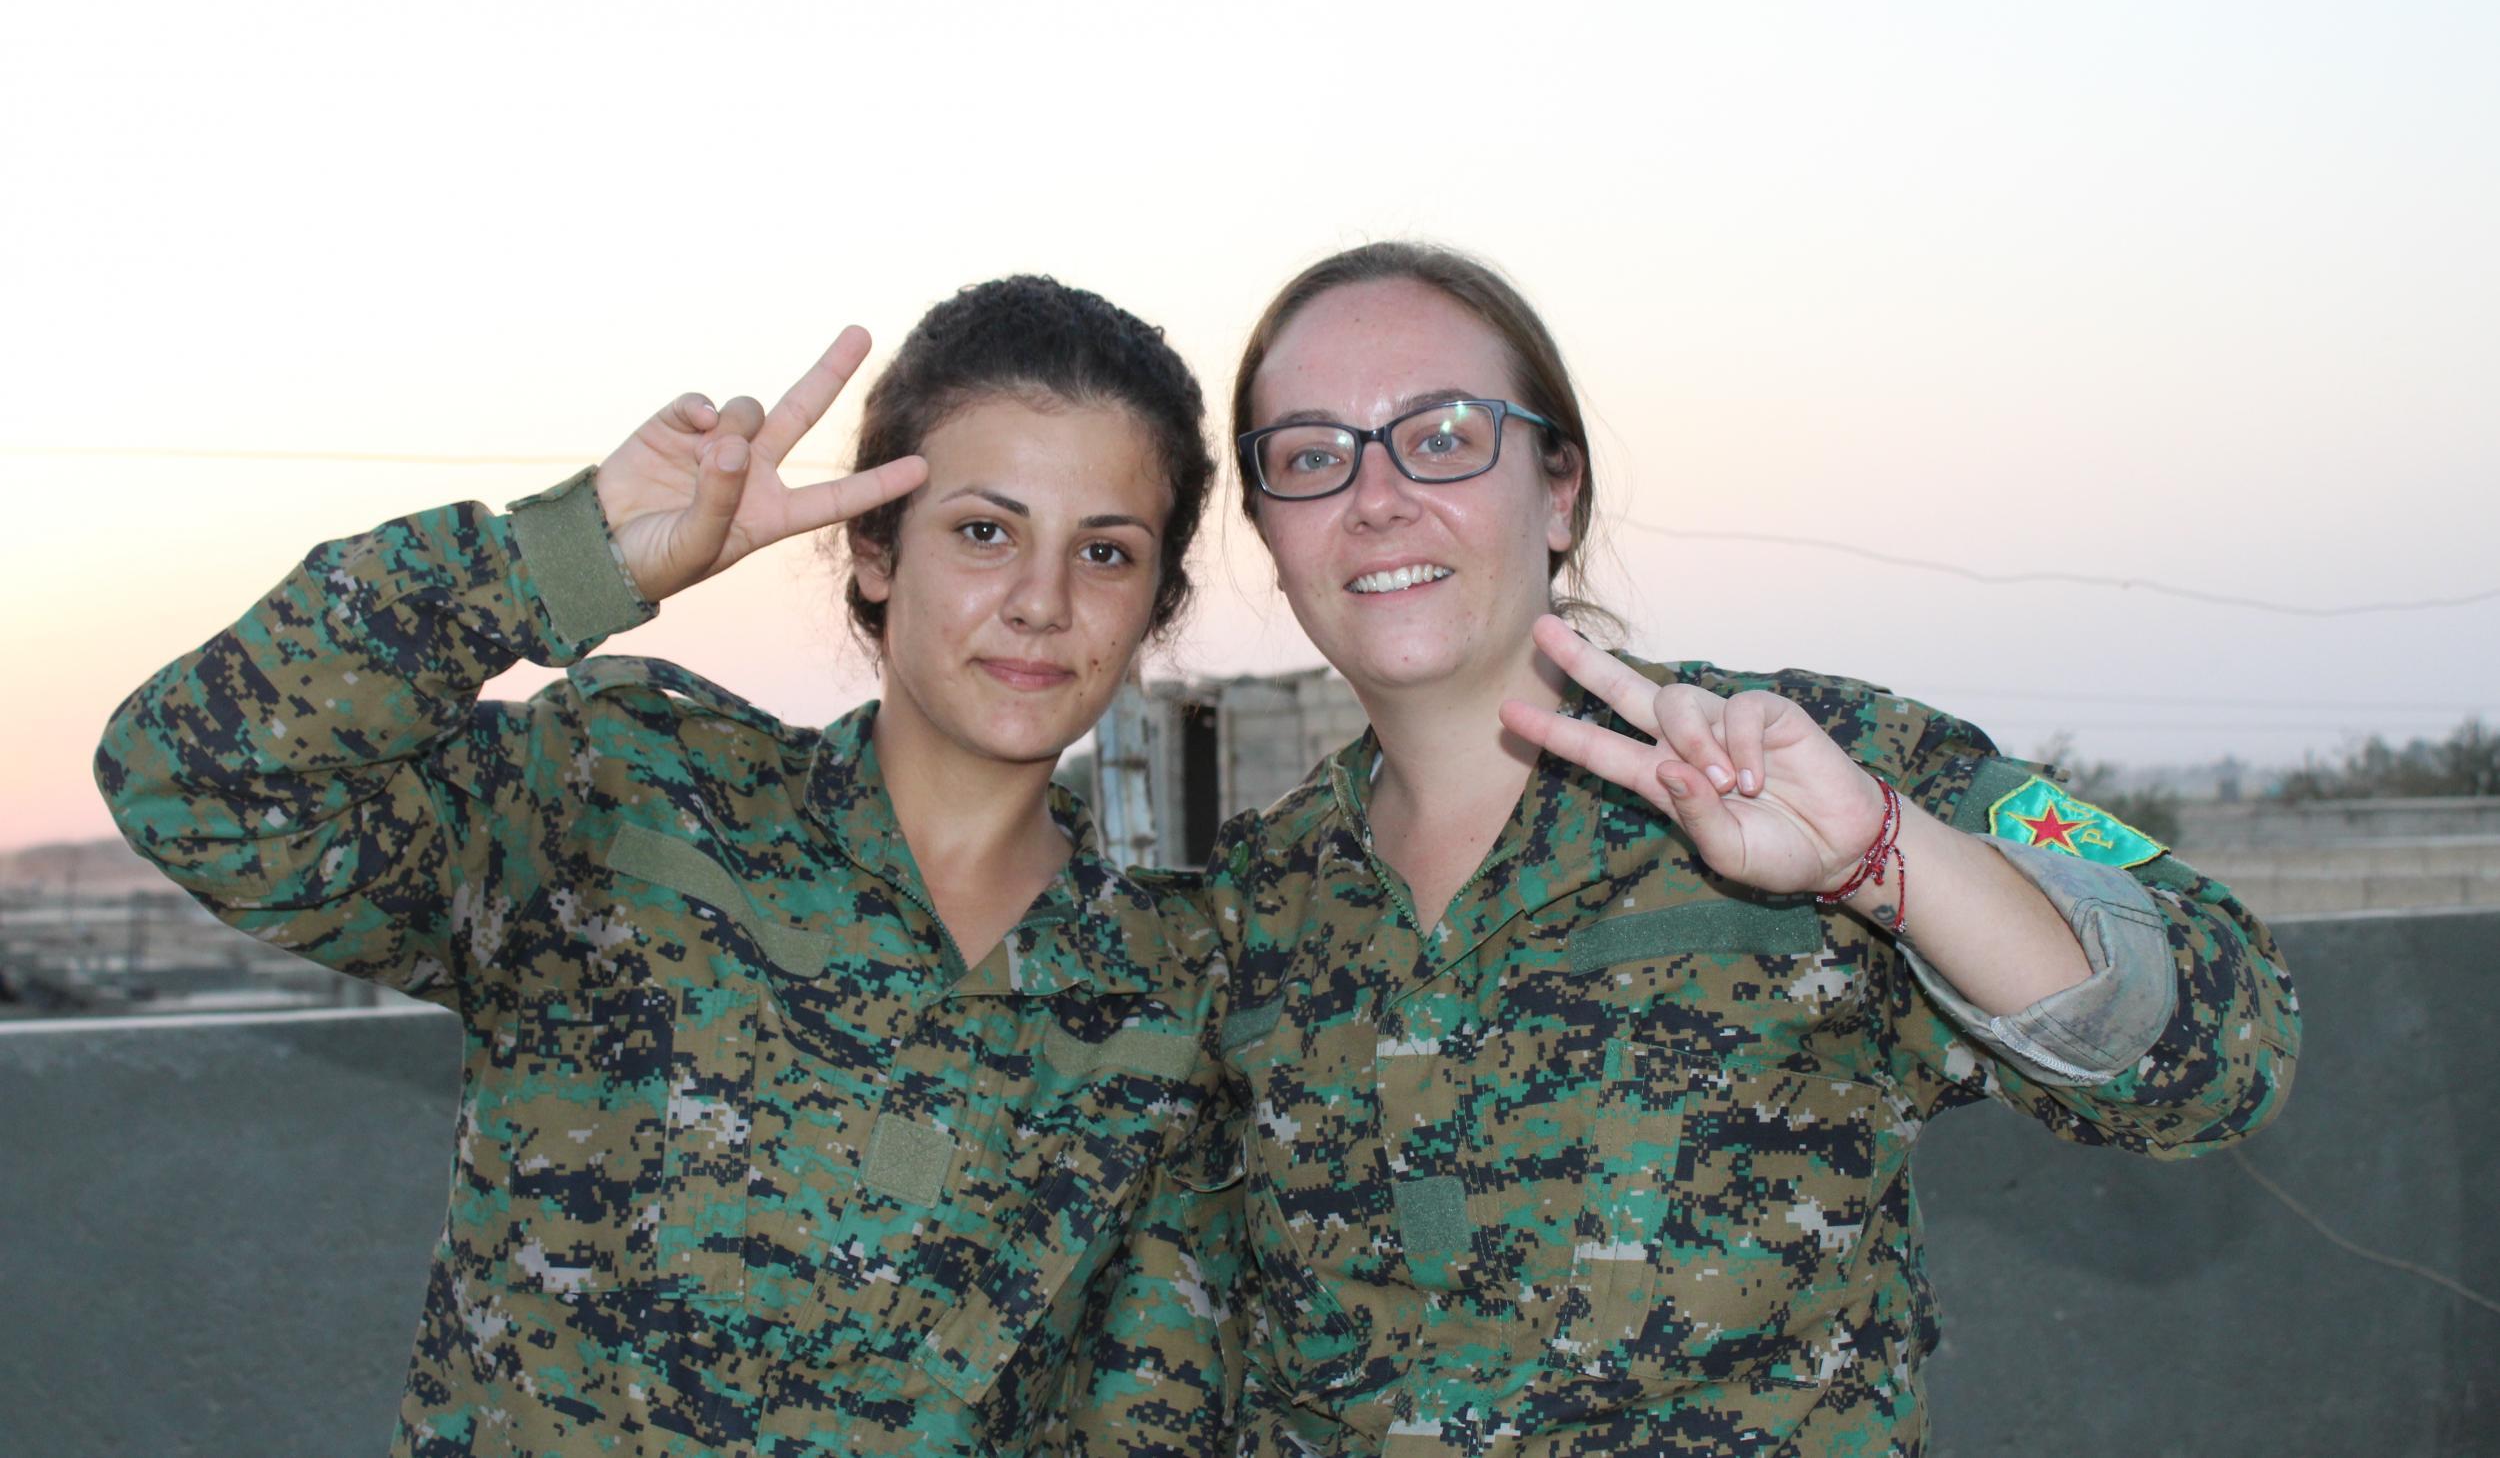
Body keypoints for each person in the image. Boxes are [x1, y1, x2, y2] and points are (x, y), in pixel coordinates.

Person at [95, 276, 1237, 1458]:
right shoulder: (631, 803)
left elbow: (1144, 1409)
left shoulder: (1165, 988)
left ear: (1157, 604)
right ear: (876, 550)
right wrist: (567, 553)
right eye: (984, 531)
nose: (1041, 602)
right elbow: (197, 781)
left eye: (1106, 551)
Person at [1201, 242, 2301, 1456]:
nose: (1377, 495)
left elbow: (2232, 1041)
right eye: (1309, 455)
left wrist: (1881, 859)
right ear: (1266, 528)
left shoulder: (1824, 760)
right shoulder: (1253, 899)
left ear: (1558, 485)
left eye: (1445, 433)